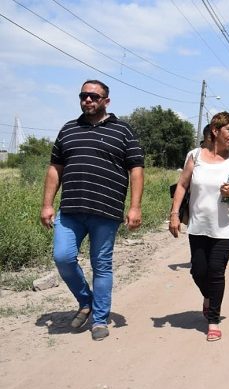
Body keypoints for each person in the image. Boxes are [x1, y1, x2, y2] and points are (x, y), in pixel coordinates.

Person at [40, 79, 144, 341]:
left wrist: (135, 206)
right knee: (62, 257)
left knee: (102, 265)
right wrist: (47, 203)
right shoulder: (68, 130)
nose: (88, 100)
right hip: (70, 210)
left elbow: (136, 169)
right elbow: (55, 169)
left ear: (106, 101)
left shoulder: (123, 131)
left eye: (94, 96)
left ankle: (99, 319)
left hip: (105, 211)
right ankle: (85, 300)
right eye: (83, 96)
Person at [169, 112, 229, 341]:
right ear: (215, 131)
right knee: (198, 270)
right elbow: (182, 185)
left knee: (216, 272)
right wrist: (174, 213)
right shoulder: (195, 157)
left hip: (225, 229)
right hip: (198, 226)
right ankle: (209, 297)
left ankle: (213, 320)